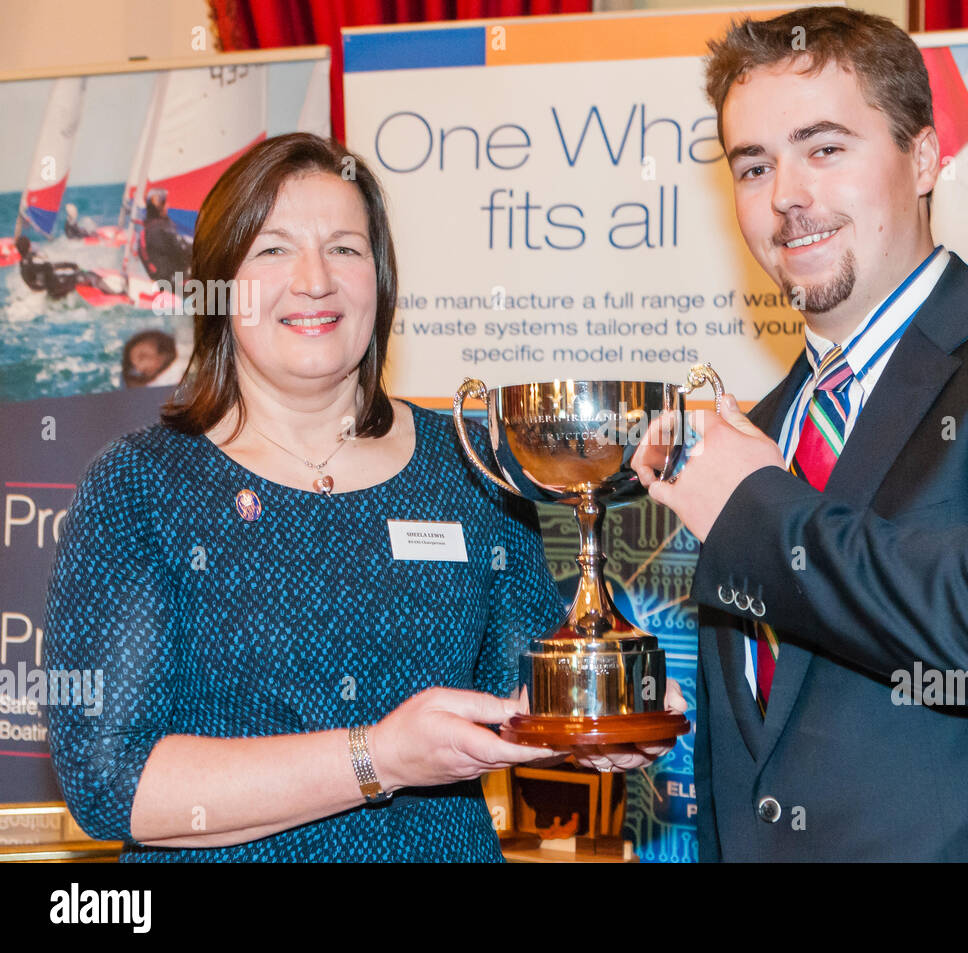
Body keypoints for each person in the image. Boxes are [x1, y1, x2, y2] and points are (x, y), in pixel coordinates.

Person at [634, 8, 968, 861]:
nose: (786, 194)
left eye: (824, 148)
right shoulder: (761, 435)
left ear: (923, 158)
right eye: (754, 165)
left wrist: (758, 509)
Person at [44, 133, 674, 862]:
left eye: (344, 248)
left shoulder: (468, 462)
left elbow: (516, 697)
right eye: (273, 249)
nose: (314, 279)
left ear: (380, 276)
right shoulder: (139, 485)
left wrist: (601, 717)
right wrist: (378, 757)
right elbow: (109, 783)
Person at [14, 234, 119, 299]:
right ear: (29, 246)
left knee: (73, 275)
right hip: (57, 288)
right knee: (86, 275)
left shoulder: (23, 263)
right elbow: (50, 266)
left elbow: (43, 270)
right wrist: (70, 265)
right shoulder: (34, 260)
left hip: (49, 290)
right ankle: (114, 294)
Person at [138, 188, 193, 284]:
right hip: (174, 284)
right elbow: (182, 251)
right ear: (158, 208)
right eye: (164, 204)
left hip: (163, 280)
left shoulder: (149, 229)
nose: (168, 206)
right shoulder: (160, 230)